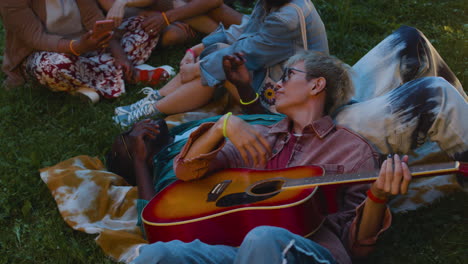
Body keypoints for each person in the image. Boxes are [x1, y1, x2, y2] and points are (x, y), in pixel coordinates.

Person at [129, 50, 412, 264]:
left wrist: (377, 197)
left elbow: (358, 244)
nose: (276, 84)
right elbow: (185, 171)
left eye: (288, 75)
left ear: (316, 86)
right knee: (155, 255)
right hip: (237, 250)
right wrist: (222, 126)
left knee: (263, 237)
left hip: (305, 250)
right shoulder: (259, 135)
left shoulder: (352, 149)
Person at [112, 0, 329, 126]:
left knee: (225, 67)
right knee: (218, 55)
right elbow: (245, 33)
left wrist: (195, 68)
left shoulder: (286, 18)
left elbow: (247, 53)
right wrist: (194, 49)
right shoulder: (274, 3)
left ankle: (154, 107)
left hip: (295, 101)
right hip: (282, 75)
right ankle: (158, 97)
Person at [0, 0, 172, 103]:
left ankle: (93, 82)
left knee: (144, 24)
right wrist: (77, 46)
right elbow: (35, 38)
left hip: (90, 46)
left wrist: (119, 54)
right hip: (45, 53)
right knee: (49, 67)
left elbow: (93, 18)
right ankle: (131, 76)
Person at [97, 0, 244, 47]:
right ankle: (230, 36)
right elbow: (114, 14)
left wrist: (167, 17)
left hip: (168, 9)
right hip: (143, 20)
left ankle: (240, 33)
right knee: (172, 35)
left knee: (210, 5)